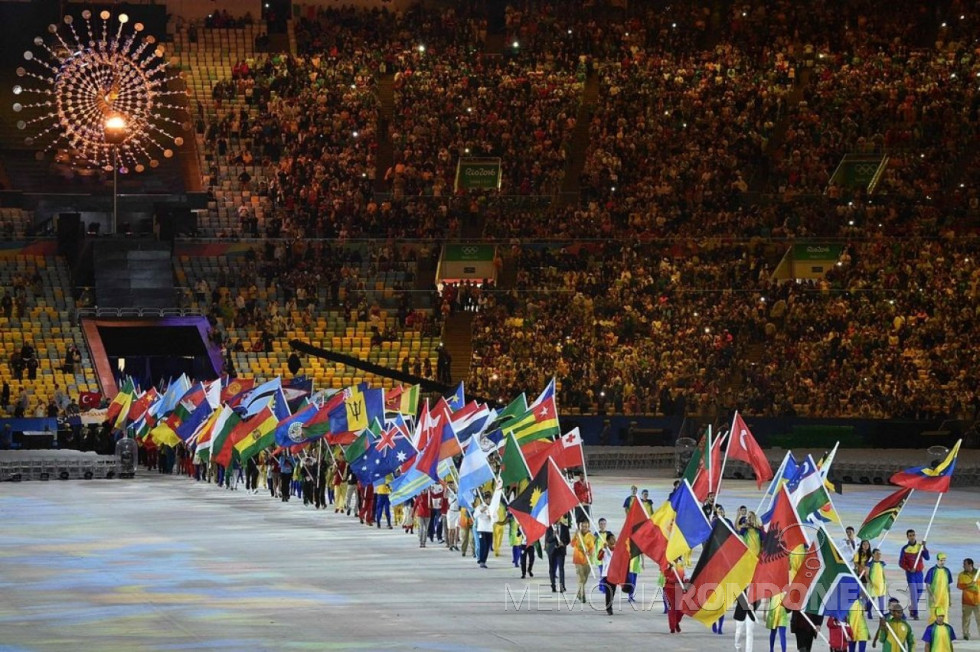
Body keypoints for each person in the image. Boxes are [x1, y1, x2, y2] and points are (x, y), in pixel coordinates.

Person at [899, 529, 929, 619]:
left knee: (919, 592)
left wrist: (925, 547)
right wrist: (908, 569)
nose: (912, 537)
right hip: (910, 574)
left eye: (913, 535)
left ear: (915, 536)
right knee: (914, 594)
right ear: (907, 537)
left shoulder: (920, 547)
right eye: (910, 535)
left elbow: (927, 558)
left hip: (919, 573)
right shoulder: (905, 549)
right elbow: (901, 563)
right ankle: (915, 614)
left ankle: (912, 607)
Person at [473, 481, 503, 568]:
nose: (488, 500)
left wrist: (492, 517)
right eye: (487, 498)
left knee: (488, 546)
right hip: (481, 529)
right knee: (483, 545)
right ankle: (481, 560)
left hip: (489, 529)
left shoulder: (492, 508)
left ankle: (484, 560)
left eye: (490, 498)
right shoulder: (480, 507)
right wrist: (481, 511)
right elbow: (475, 515)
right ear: (485, 499)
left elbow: (496, 518)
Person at [571, 519, 594, 604]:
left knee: (585, 579)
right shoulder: (578, 534)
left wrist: (589, 552)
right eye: (583, 526)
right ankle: (583, 596)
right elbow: (572, 544)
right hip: (578, 559)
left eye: (586, 526)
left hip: (587, 560)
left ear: (589, 526)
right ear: (580, 526)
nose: (584, 528)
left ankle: (578, 593)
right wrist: (575, 536)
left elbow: (592, 548)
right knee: (581, 578)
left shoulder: (591, 536)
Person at [545, 516, 571, 593]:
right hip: (552, 550)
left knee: (561, 568)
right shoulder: (550, 527)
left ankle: (562, 586)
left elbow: (568, 540)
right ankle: (553, 585)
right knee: (552, 569)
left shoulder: (565, 527)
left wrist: (563, 543)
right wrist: (553, 535)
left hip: (561, 550)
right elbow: (548, 540)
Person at [926, 553, 953, 624]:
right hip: (935, 597)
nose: (943, 562)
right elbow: (927, 585)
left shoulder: (947, 571)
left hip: (944, 598)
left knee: (945, 616)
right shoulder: (932, 571)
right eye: (941, 560)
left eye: (944, 560)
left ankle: (944, 632)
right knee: (933, 616)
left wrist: (949, 599)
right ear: (937, 560)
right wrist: (931, 596)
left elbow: (948, 586)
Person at [956, 558, 979, 640]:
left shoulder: (978, 573)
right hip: (967, 601)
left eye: (965, 564)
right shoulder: (961, 575)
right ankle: (966, 634)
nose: (963, 566)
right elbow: (959, 586)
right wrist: (970, 584)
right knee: (966, 619)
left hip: (978, 601)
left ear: (970, 565)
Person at [664, 559, 686, 633]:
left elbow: (685, 576)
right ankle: (672, 627)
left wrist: (686, 580)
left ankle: (676, 622)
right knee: (672, 608)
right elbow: (664, 574)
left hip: (680, 588)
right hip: (670, 588)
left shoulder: (681, 564)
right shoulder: (667, 564)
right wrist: (669, 567)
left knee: (681, 609)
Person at [598, 532, 618, 615]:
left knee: (613, 591)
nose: (614, 540)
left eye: (614, 538)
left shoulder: (617, 550)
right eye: (612, 539)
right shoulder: (604, 550)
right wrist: (603, 549)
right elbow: (599, 558)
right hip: (607, 573)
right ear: (608, 540)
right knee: (609, 591)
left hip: (615, 573)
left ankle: (610, 605)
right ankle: (609, 608)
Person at [866, 549, 888, 617]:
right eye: (877, 553)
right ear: (873, 555)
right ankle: (869, 611)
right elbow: (866, 575)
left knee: (881, 600)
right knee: (872, 599)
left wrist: (885, 582)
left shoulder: (882, 563)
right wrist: (869, 582)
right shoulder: (869, 564)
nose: (879, 555)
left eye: (879, 553)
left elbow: (883, 573)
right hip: (872, 584)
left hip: (881, 584)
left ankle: (881, 614)